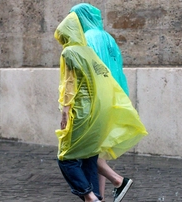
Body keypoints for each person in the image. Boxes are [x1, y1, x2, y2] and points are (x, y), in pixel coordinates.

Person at [54, 11, 147, 202]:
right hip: (102, 105)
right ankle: (98, 196)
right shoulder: (99, 43)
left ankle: (92, 196)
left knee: (66, 158)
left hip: (82, 109)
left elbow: (69, 83)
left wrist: (65, 110)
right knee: (91, 155)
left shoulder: (71, 50)